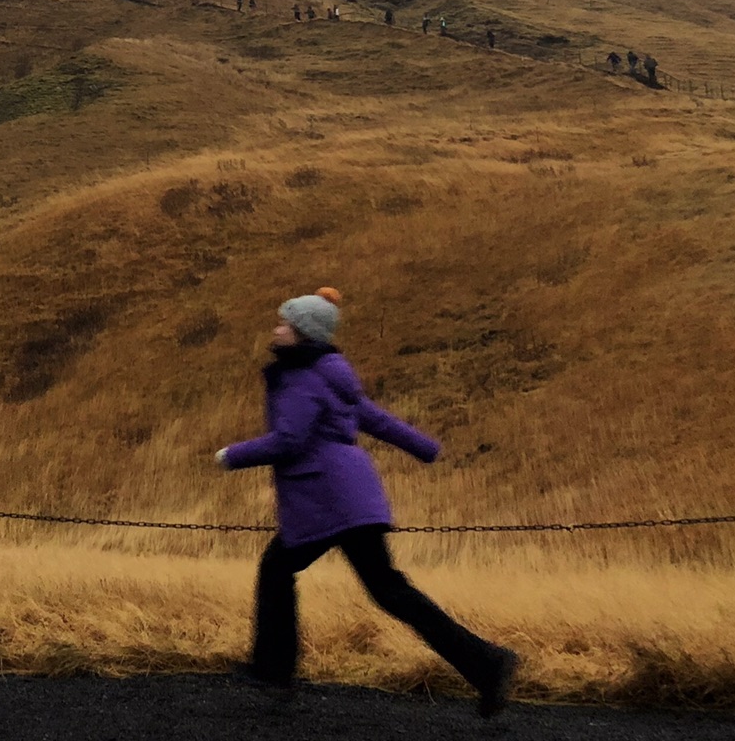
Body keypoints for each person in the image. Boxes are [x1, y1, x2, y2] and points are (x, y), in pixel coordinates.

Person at [217, 289, 518, 715]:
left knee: (282, 568)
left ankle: (273, 670)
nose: (276, 329)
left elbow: (289, 440)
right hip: (353, 495)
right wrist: (425, 447)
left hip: (328, 498)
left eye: (284, 323)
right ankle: (486, 664)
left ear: (303, 334)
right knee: (387, 589)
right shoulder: (330, 372)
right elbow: (374, 418)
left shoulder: (301, 376)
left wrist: (231, 456)